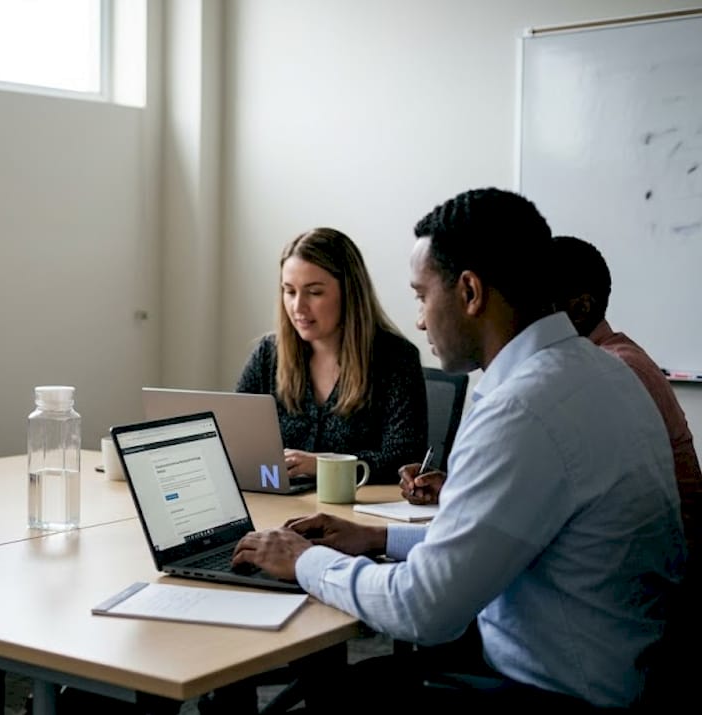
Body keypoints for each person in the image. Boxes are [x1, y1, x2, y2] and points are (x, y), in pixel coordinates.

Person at [231, 188, 684, 709]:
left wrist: (304, 560)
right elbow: (497, 535)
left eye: (422, 295)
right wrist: (377, 537)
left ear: (469, 292)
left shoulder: (521, 411)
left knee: (335, 697)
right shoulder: (602, 372)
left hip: (551, 692)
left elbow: (424, 609)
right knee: (349, 685)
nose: (420, 319)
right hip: (618, 669)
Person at [401, 236, 702, 539]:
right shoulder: (580, 369)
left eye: (539, 308)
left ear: (580, 309)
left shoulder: (611, 372)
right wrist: (456, 489)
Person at [236, 227, 426, 483]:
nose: (298, 307)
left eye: (314, 292)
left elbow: (404, 459)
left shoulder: (395, 359)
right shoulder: (268, 355)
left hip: (355, 514)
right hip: (280, 506)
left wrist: (324, 465)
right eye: (289, 291)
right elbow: (235, 439)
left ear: (349, 292)